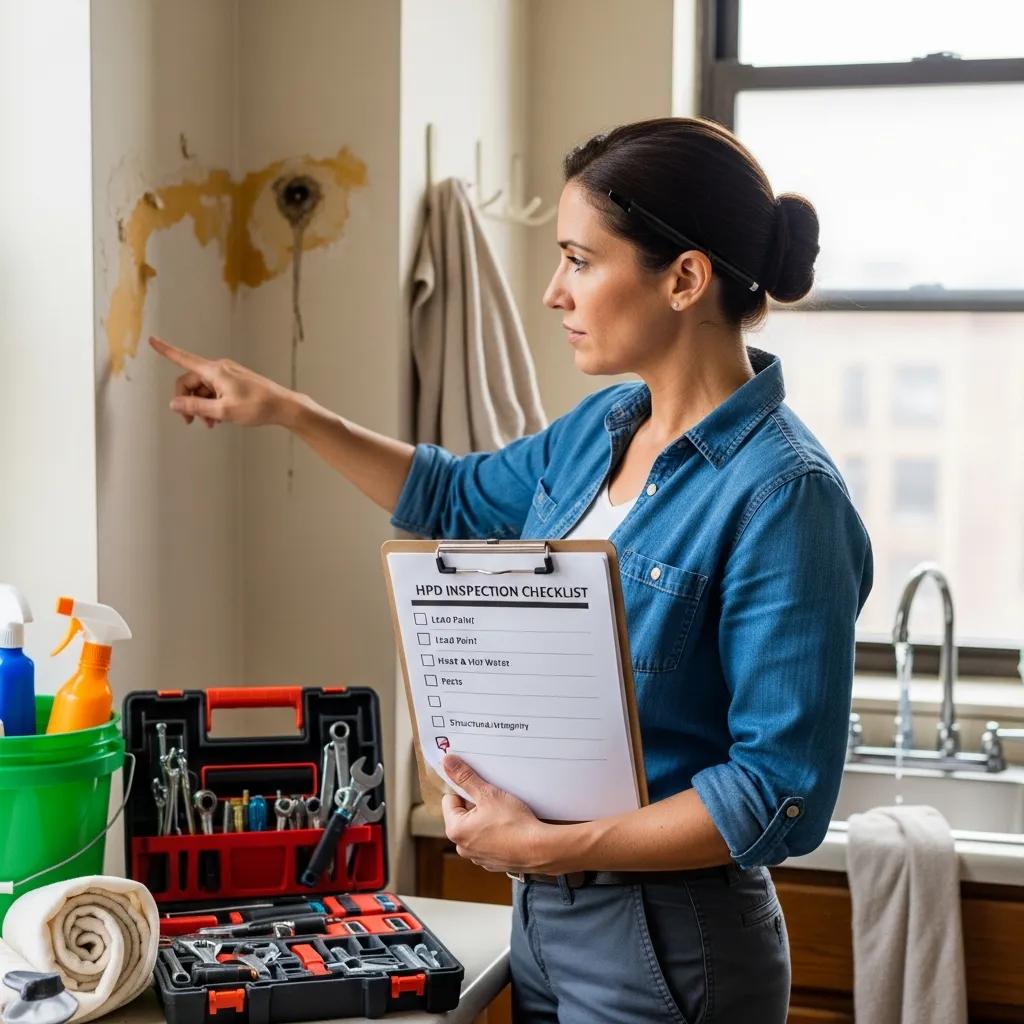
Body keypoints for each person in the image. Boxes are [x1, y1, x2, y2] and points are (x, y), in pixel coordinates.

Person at [153, 116, 873, 1024]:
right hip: (546, 916)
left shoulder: (785, 498)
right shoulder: (603, 429)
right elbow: (451, 496)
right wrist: (288, 411)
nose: (552, 292)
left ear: (685, 278)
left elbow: (778, 798)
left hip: (674, 942)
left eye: (580, 259)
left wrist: (552, 846)